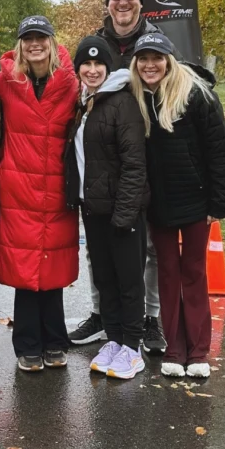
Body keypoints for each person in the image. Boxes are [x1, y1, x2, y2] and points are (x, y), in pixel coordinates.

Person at [68, 0, 166, 355]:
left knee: (148, 248)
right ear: (108, 3)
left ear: (140, 2)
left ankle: (149, 319)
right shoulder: (98, 44)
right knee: (101, 253)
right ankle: (102, 316)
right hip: (107, 163)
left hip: (153, 152)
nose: (122, 2)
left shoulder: (157, 41)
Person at [130, 33, 225, 378]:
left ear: (168, 61)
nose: (150, 65)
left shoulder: (197, 95)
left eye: (156, 58)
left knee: (194, 271)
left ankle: (199, 350)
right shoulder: (135, 97)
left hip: (196, 199)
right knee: (167, 273)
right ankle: (174, 349)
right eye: (143, 59)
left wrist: (218, 202)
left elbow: (220, 152)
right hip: (159, 203)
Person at [0, 15, 79, 372]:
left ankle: (55, 340)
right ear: (20, 45)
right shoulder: (5, 82)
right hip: (19, 187)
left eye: (41, 37)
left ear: (52, 42)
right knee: (25, 267)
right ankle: (27, 343)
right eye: (28, 38)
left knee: (52, 264)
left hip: (57, 186)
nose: (35, 44)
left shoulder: (71, 83)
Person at [65, 36, 149, 379]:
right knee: (105, 278)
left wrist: (125, 214)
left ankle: (133, 347)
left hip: (122, 210)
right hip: (93, 208)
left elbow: (134, 163)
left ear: (109, 67)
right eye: (86, 64)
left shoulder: (122, 102)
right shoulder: (85, 102)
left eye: (98, 63)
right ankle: (114, 339)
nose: (92, 69)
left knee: (128, 280)